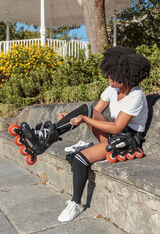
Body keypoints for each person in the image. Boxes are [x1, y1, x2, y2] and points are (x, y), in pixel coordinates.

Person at [18, 46, 151, 222]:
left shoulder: (136, 95)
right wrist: (70, 118)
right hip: (113, 132)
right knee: (87, 109)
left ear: (127, 77)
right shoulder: (113, 89)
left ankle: (76, 204)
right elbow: (92, 112)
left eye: (115, 76)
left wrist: (86, 120)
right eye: (109, 74)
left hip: (127, 140)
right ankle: (45, 137)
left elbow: (118, 127)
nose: (110, 79)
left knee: (80, 158)